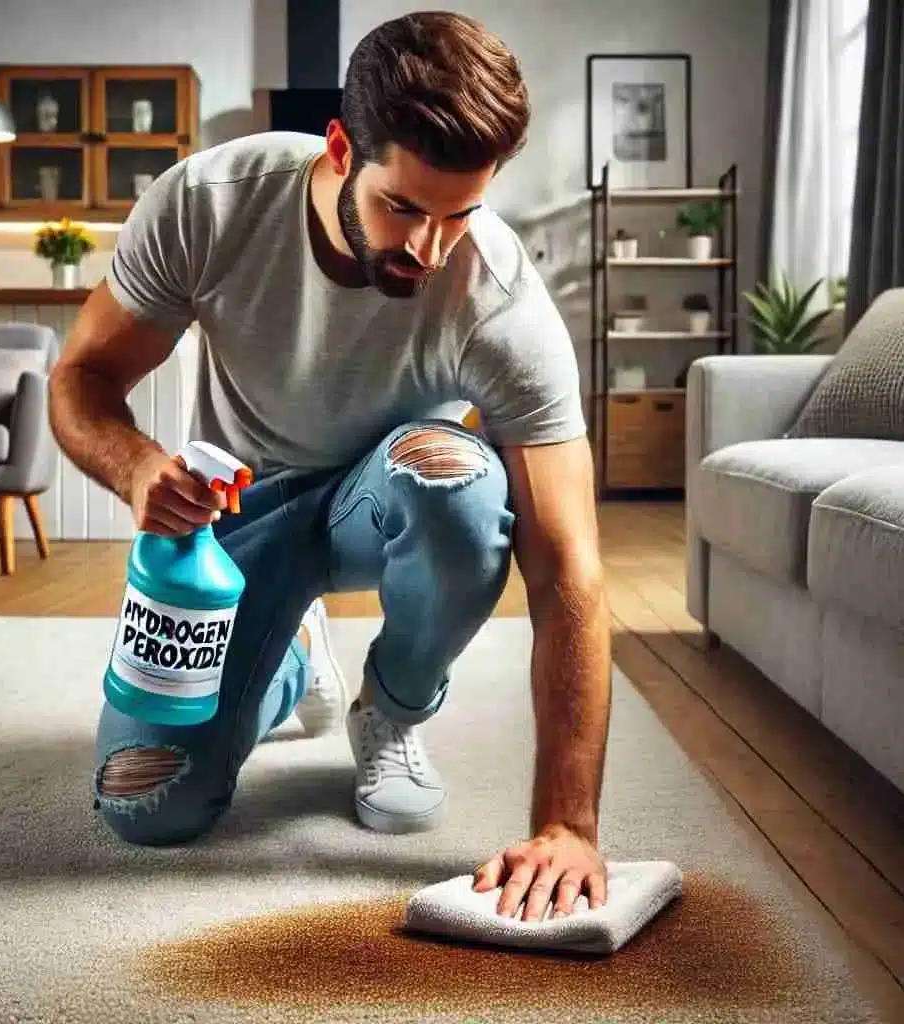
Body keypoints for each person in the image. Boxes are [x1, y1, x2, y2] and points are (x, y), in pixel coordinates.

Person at [48, 10, 612, 922]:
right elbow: (81, 377)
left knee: (460, 484)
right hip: (238, 523)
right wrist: (137, 468)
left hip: (394, 497)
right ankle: (289, 658)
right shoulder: (211, 201)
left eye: (460, 215)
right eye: (405, 208)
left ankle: (390, 704)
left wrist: (567, 823)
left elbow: (570, 571)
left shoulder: (499, 297)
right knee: (145, 805)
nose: (430, 250)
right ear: (342, 148)